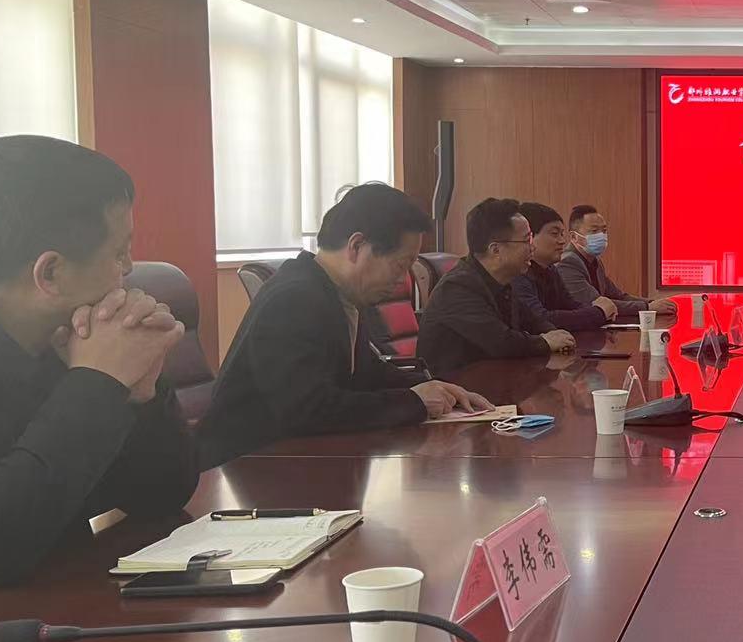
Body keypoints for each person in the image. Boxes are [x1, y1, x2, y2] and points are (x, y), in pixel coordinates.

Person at [0, 136, 198, 586]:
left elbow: (162, 494)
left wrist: (139, 393)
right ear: (51, 273)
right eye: (118, 252)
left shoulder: (72, 335)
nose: (129, 268)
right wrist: (96, 381)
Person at [198, 184, 490, 466]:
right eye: (401, 265)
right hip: (249, 467)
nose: (403, 280)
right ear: (357, 246)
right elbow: (307, 409)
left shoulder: (337, 293)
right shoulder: (296, 298)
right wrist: (414, 402)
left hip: (300, 460)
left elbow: (365, 373)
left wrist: (432, 387)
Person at [417, 198, 576, 376]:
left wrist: (555, 334)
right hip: (456, 386)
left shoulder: (503, 281)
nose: (532, 248)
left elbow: (533, 321)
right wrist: (545, 342)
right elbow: (501, 343)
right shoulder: (457, 287)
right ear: (495, 250)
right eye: (527, 240)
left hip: (494, 380)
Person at [512, 202, 617, 335]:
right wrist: (599, 312)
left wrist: (598, 309)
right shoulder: (517, 273)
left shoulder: (550, 270)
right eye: (555, 234)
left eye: (562, 234)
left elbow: (571, 306)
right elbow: (541, 319)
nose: (562, 241)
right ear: (530, 237)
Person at [556, 204, 675, 319]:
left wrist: (652, 302)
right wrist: (647, 307)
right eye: (594, 231)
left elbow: (618, 296)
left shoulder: (595, 261)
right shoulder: (567, 263)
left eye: (604, 230)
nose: (601, 236)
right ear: (574, 237)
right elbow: (597, 303)